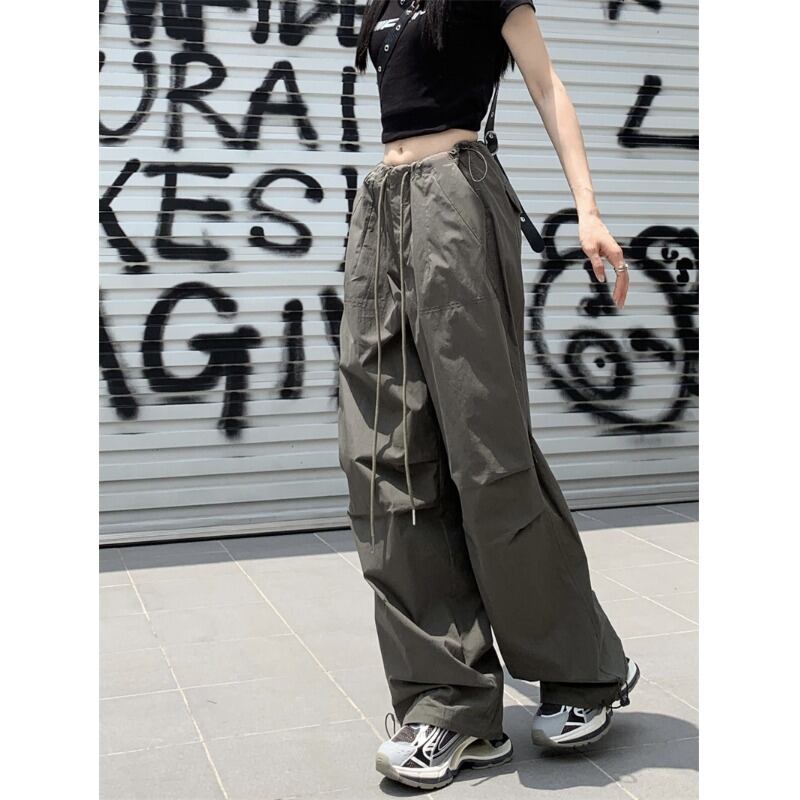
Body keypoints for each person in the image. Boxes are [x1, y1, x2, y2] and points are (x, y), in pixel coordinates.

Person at [337, 0, 639, 790]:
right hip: (382, 205)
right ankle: (448, 706)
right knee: (384, 460)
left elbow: (545, 84)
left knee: (486, 448)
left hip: (454, 199)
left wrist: (588, 210)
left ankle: (582, 670)